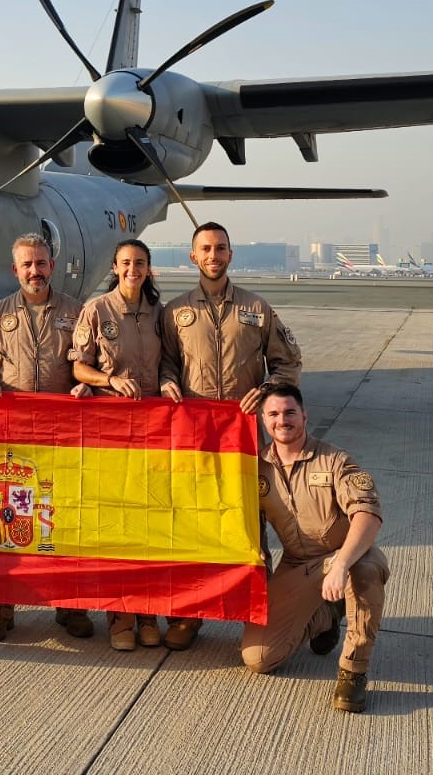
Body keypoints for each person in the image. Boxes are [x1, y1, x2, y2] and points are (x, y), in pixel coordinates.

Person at [156, 221, 303, 651]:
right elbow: (165, 363)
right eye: (206, 249)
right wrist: (167, 383)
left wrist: (268, 390)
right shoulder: (175, 313)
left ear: (230, 255)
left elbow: (287, 364)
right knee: (192, 523)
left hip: (242, 438)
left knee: (249, 527)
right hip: (195, 437)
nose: (214, 255)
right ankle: (188, 615)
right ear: (193, 257)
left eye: (221, 248)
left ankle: (266, 611)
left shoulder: (257, 308)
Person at [0, 232, 91, 641]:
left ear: (51, 266)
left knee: (64, 519)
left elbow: (88, 365)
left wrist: (87, 387)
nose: (35, 271)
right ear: (15, 269)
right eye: (27, 265)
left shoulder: (77, 313)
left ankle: (69, 605)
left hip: (61, 436)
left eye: (41, 263)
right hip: (12, 439)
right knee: (7, 518)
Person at [241, 382, 387, 713]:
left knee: (365, 571)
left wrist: (340, 565)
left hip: (344, 556)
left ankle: (353, 670)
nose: (282, 420)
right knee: (259, 659)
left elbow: (367, 514)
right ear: (263, 420)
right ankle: (325, 616)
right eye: (273, 414)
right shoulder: (255, 467)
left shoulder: (334, 460)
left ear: (304, 416)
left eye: (290, 412)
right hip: (296, 565)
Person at [71, 237, 165, 651]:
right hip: (110, 433)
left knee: (149, 524)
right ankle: (120, 616)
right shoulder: (96, 310)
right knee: (115, 525)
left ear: (148, 269)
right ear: (115, 266)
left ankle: (148, 612)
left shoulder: (160, 314)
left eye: (140, 263)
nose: (133, 269)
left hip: (154, 434)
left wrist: (168, 381)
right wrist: (108, 381)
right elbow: (77, 365)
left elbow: (171, 364)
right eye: (126, 263)